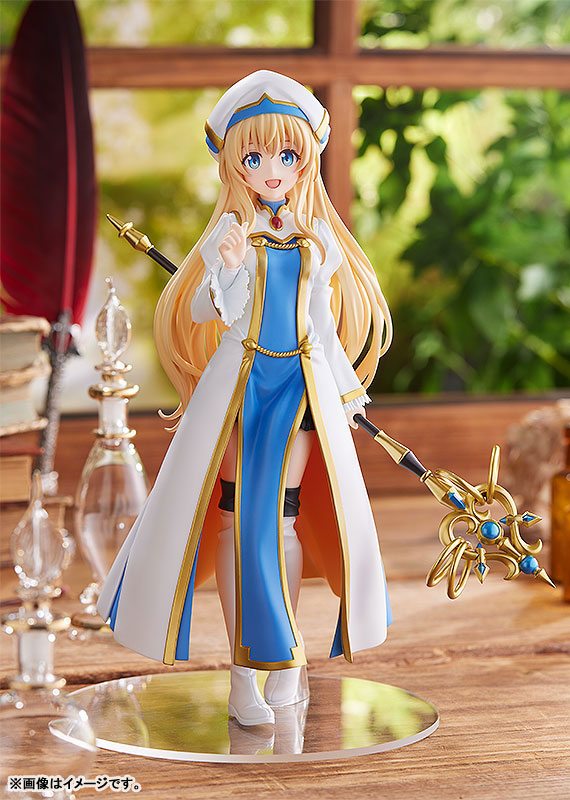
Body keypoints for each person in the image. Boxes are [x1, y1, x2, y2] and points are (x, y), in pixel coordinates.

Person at [97, 70, 393, 727]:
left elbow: (320, 323)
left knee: (280, 520)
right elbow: (208, 310)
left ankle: (285, 663)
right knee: (237, 520)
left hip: (299, 387)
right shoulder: (229, 232)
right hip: (241, 387)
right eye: (254, 158)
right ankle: (242, 674)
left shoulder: (316, 240)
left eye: (287, 155)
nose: (272, 170)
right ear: (233, 163)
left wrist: (348, 393)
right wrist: (228, 268)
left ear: (306, 160)